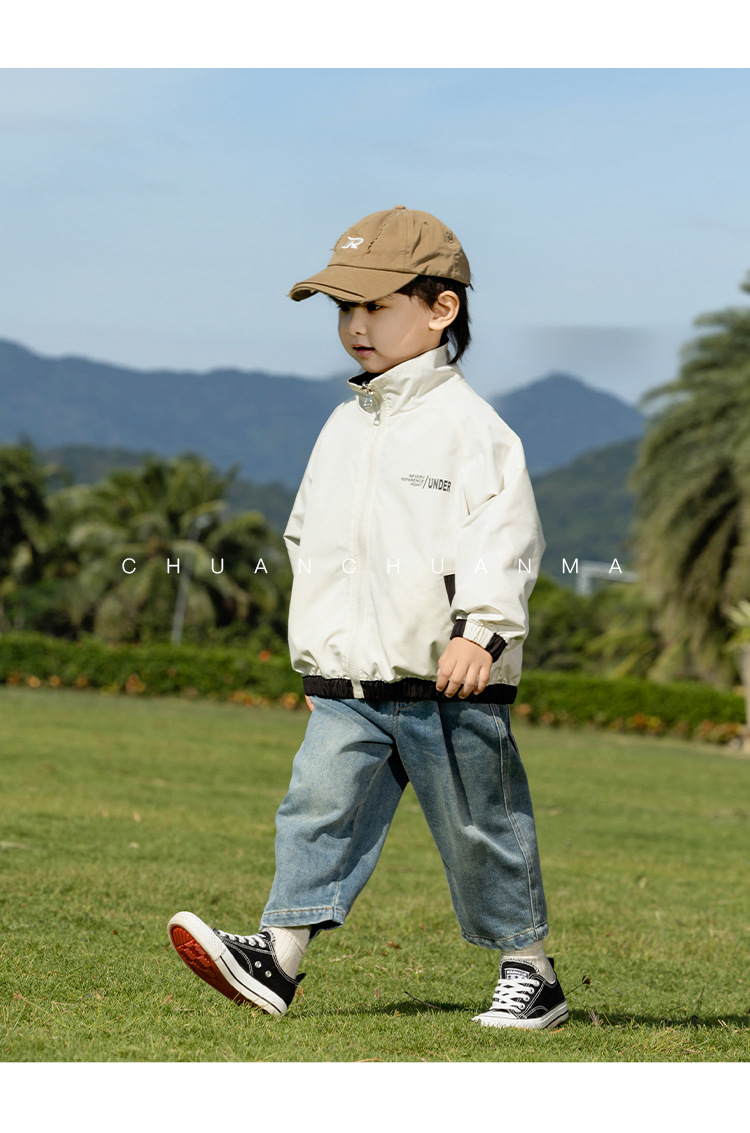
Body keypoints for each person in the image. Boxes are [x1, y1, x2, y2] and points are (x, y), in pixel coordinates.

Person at [168, 206, 568, 1030]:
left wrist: (481, 633)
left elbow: (506, 539)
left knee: (480, 829)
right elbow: (310, 540)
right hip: (349, 683)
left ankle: (531, 972)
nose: (355, 325)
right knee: (316, 808)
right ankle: (277, 958)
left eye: (375, 306)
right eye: (344, 308)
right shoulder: (342, 426)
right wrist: (321, 649)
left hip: (449, 681)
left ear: (441, 308)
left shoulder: (474, 431)